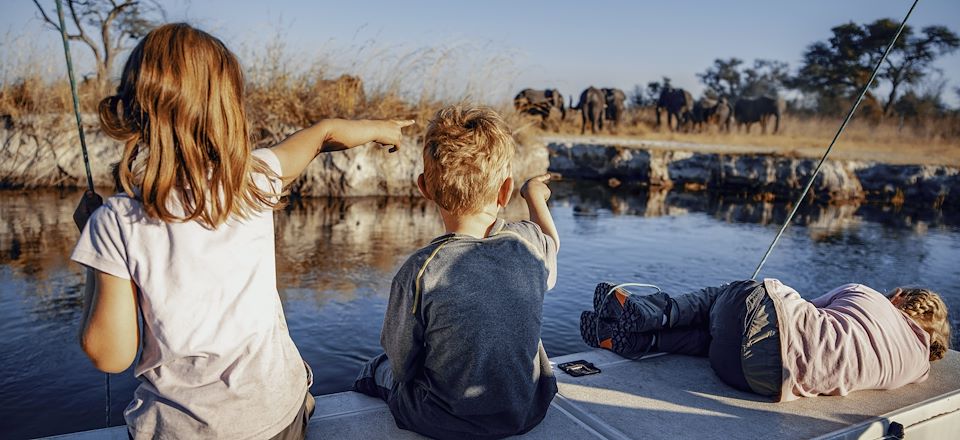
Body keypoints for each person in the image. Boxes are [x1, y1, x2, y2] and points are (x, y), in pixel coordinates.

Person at [71, 23, 412, 439]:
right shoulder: (256, 178)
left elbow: (110, 355)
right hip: (277, 417)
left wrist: (92, 242)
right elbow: (323, 133)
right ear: (227, 107)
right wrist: (381, 128)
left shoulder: (117, 221)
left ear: (136, 106)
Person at [353, 105, 560, 439]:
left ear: (424, 187)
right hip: (526, 411)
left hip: (442, 420)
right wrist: (534, 196)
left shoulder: (420, 271)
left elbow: (402, 364)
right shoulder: (530, 244)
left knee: (378, 369)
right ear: (505, 191)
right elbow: (552, 242)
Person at [580, 279, 950, 401]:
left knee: (726, 298)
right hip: (758, 379)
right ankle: (649, 342)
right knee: (715, 341)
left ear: (899, 297)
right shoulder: (918, 367)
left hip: (757, 318)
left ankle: (659, 312)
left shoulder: (866, 294)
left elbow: (802, 309)